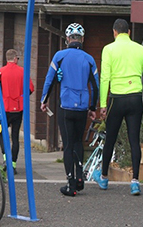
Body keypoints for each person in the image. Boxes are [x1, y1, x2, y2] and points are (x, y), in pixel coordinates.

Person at [94, 18, 143, 195]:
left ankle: (104, 178)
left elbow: (105, 78)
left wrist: (103, 105)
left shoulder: (108, 49)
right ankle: (135, 182)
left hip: (116, 98)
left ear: (114, 32)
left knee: (110, 139)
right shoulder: (140, 49)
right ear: (129, 32)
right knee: (134, 140)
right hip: (135, 98)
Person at [40, 23, 100, 196]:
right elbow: (95, 85)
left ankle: (70, 184)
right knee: (77, 142)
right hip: (82, 107)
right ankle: (80, 177)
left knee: (67, 145)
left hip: (66, 106)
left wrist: (44, 100)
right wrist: (92, 107)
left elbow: (49, 80)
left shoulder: (60, 56)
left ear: (67, 39)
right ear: (82, 39)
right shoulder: (89, 59)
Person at [0, 49, 34, 175]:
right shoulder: (22, 72)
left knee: (1, 133)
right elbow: (30, 88)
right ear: (15, 58)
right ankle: (13, 164)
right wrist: (22, 98)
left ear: (7, 58)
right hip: (18, 109)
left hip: (4, 109)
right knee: (15, 136)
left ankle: (5, 159)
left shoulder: (0, 72)